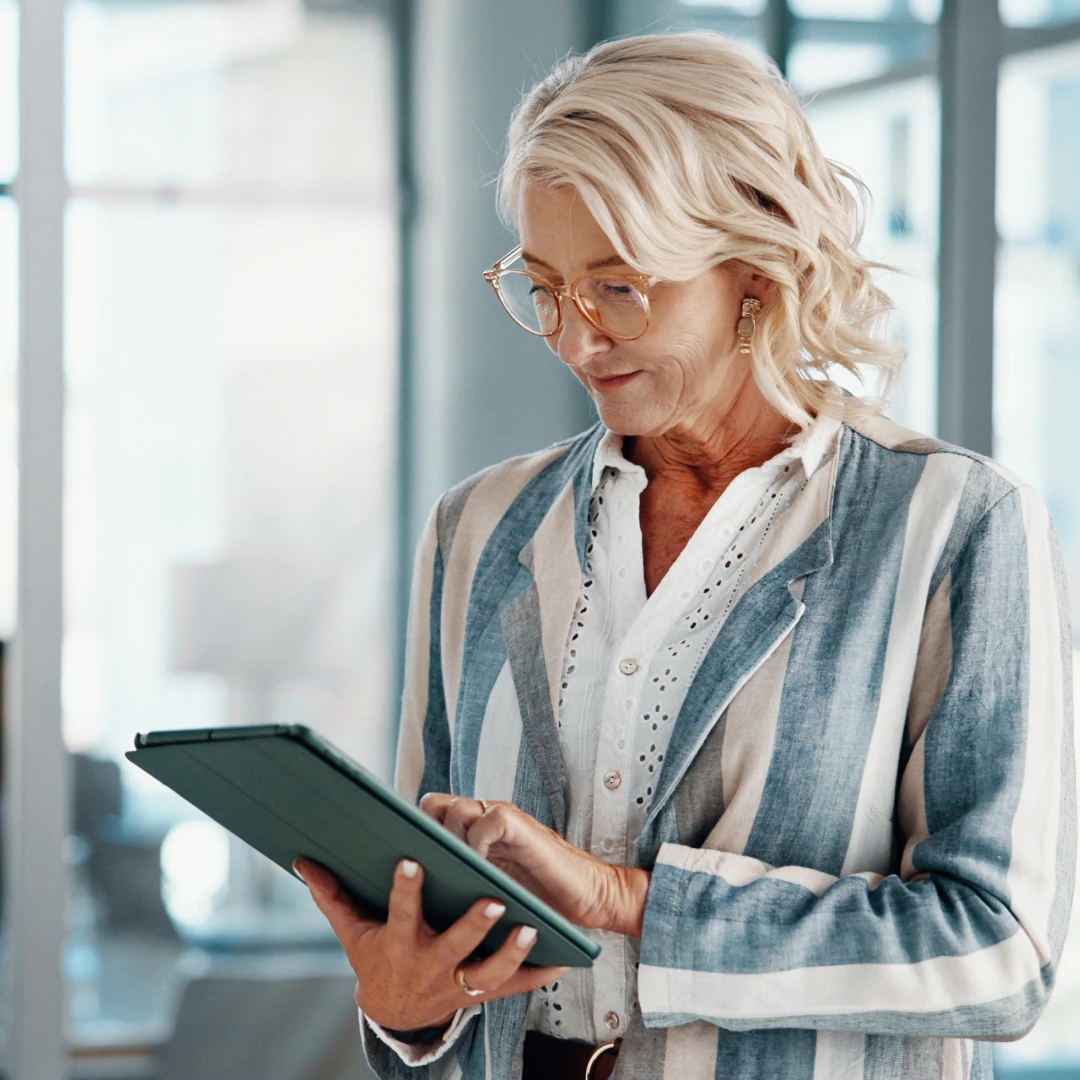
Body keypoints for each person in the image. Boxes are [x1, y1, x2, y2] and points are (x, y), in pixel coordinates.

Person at [296, 31, 1076, 1080]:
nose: (574, 340)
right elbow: (426, 930)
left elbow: (996, 952)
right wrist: (406, 1012)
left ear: (753, 263)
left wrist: (629, 901)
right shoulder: (478, 529)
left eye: (619, 287)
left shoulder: (952, 525)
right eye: (542, 285)